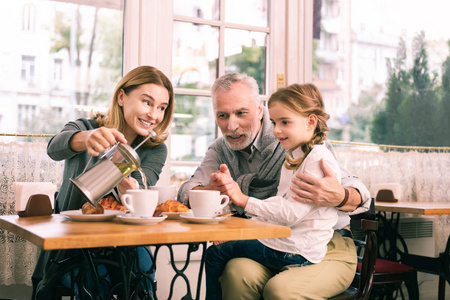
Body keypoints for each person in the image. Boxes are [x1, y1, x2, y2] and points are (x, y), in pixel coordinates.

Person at [177, 73, 371, 299]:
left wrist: (341, 196)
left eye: (241, 113)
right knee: (234, 273)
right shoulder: (220, 149)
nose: (231, 125)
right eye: (222, 115)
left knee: (280, 291)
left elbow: (356, 188)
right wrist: (212, 193)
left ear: (260, 110)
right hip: (271, 243)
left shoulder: (297, 138)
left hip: (325, 244)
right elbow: (187, 190)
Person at [32, 65, 174, 299]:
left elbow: (143, 182)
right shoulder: (86, 127)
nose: (154, 115)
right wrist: (86, 139)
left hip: (127, 244)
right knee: (94, 280)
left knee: (140, 274)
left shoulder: (154, 149)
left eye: (161, 107)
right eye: (147, 102)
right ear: (121, 97)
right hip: (75, 241)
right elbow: (54, 148)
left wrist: (129, 186)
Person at [205, 83, 343, 299]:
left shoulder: (317, 160)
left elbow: (290, 214)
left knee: (215, 255)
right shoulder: (297, 155)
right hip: (290, 243)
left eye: (285, 122)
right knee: (224, 252)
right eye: (274, 122)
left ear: (311, 121)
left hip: (296, 250)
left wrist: (243, 200)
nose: (277, 130)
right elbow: (281, 203)